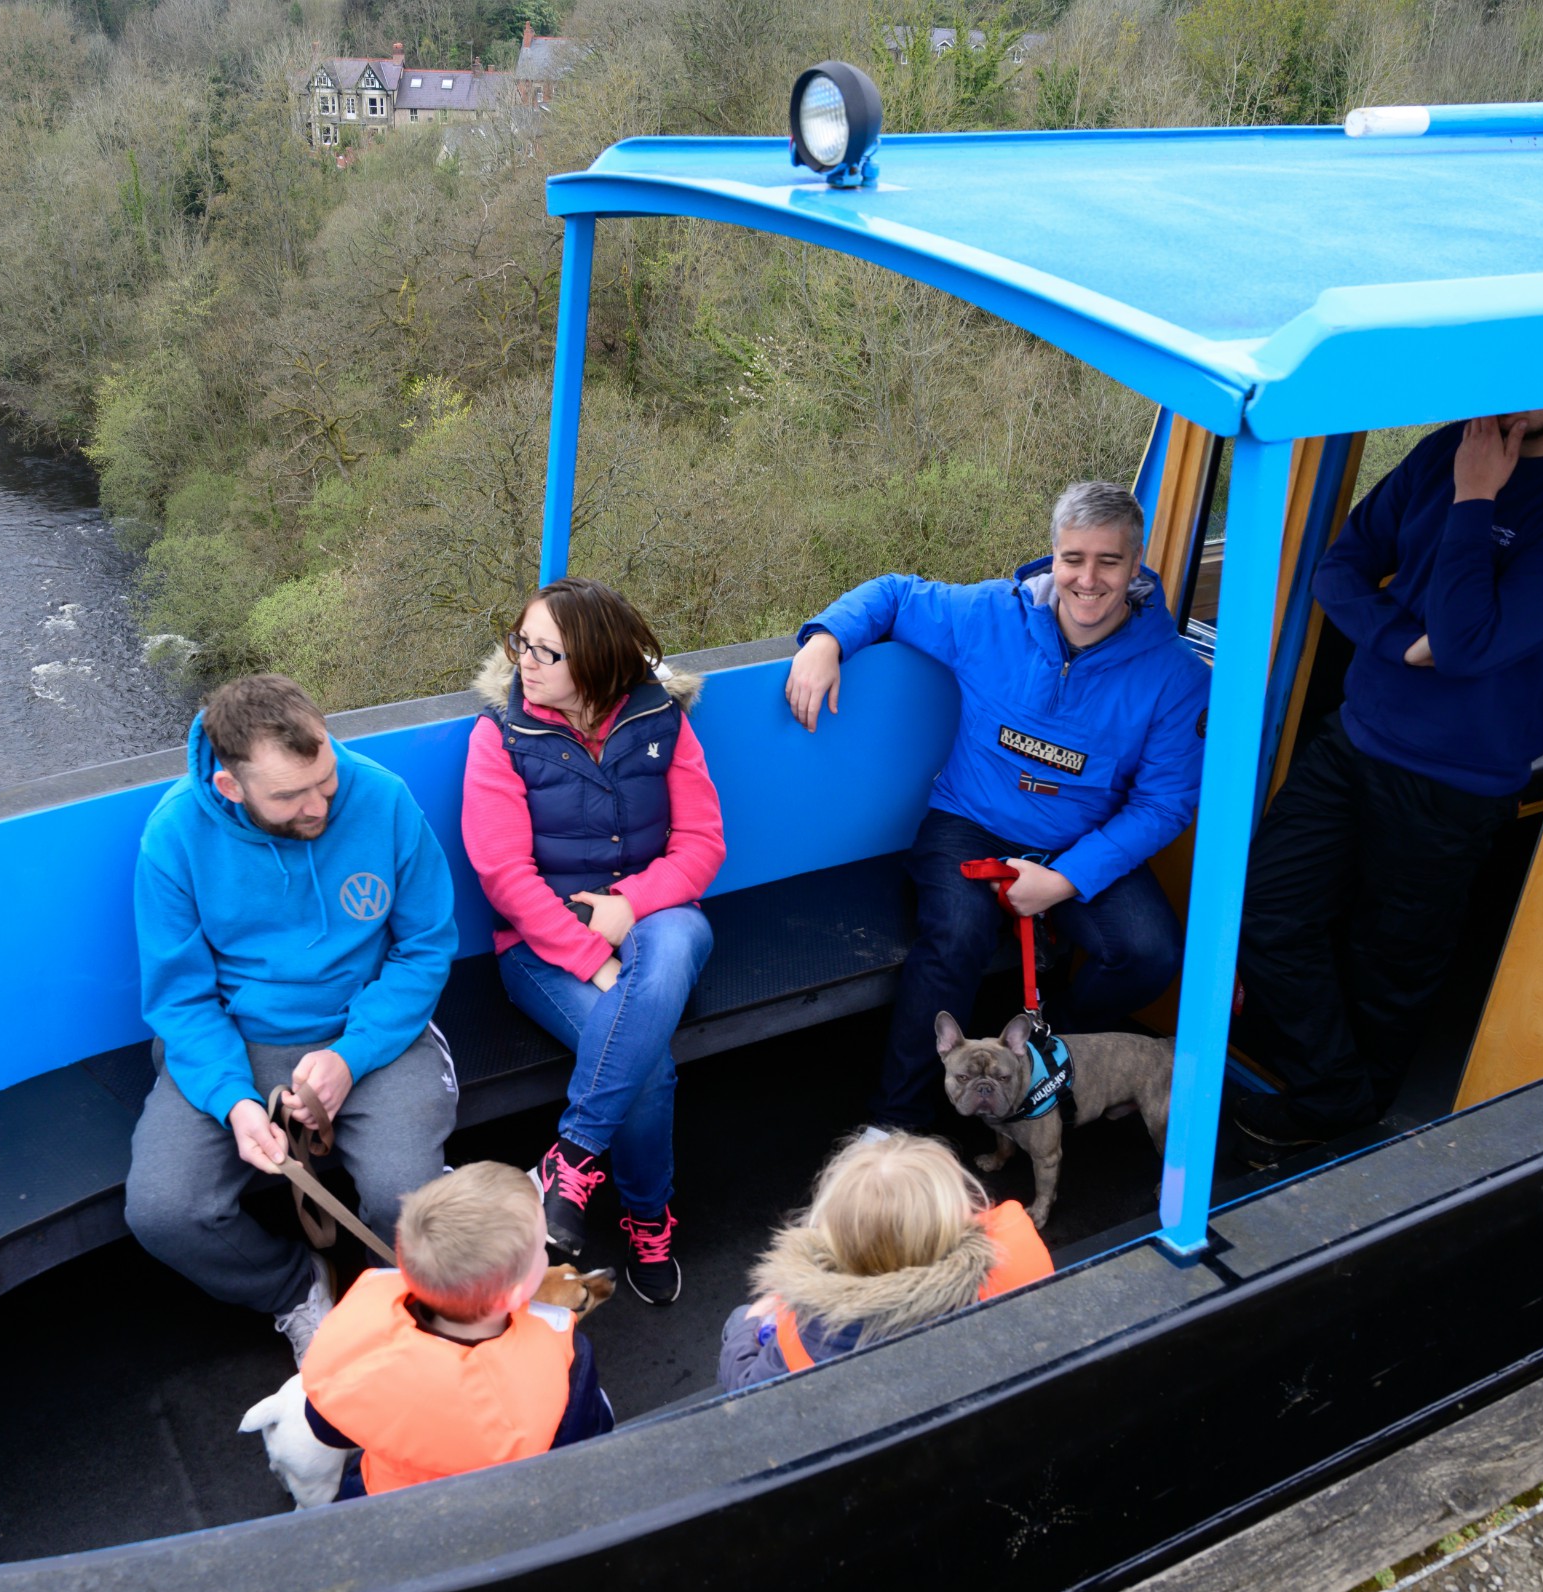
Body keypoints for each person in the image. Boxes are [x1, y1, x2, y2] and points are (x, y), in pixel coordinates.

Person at [1230, 408, 1543, 1153]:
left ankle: (1340, 1117)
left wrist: (1476, 497)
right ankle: (1341, 1097)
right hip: (1356, 734)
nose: (1515, 394)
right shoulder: (1450, 448)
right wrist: (1399, 642)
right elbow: (1339, 567)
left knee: (1391, 959)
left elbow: (1464, 642)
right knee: (1266, 909)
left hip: (1457, 778)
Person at [786, 482, 1211, 1131]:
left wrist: (1066, 880)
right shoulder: (990, 617)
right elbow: (894, 594)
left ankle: (1043, 1066)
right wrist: (824, 642)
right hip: (970, 822)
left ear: (1136, 566)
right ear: (1054, 556)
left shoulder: (1175, 677)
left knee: (1149, 951)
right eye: (1074, 559)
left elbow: (1163, 802)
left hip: (1082, 842)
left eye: (1109, 562)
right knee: (957, 935)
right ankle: (897, 1125)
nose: (1088, 580)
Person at [126, 673, 461, 1363]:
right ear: (230, 788)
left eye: (326, 781)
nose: (319, 806)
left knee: (412, 1201)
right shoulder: (173, 836)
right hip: (235, 1042)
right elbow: (180, 999)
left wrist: (351, 1055)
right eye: (290, 796)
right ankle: (292, 1292)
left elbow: (426, 948)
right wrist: (232, 1104)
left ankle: (396, 1306)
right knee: (165, 1211)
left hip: (372, 1031)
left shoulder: (383, 799)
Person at [463, 577, 725, 1304]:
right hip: (543, 950)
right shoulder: (500, 737)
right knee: (646, 1068)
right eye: (522, 642)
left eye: (549, 651)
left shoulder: (662, 722)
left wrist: (627, 907)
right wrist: (591, 957)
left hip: (658, 921)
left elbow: (702, 846)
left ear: (599, 662)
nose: (526, 662)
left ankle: (571, 1156)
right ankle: (647, 1216)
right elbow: (504, 876)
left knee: (670, 947)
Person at [299, 1162, 614, 1496]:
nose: (547, 1260)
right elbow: (585, 1439)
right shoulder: (566, 1361)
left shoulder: (357, 1338)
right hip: (498, 1507)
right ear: (514, 1293)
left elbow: (328, 1430)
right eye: (541, 1251)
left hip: (383, 1503)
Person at [715, 1132, 1051, 1390]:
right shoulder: (1004, 1281)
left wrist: (747, 1325)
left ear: (832, 1234)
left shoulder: (813, 1333)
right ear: (957, 1223)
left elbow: (745, 1388)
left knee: (741, 1317)